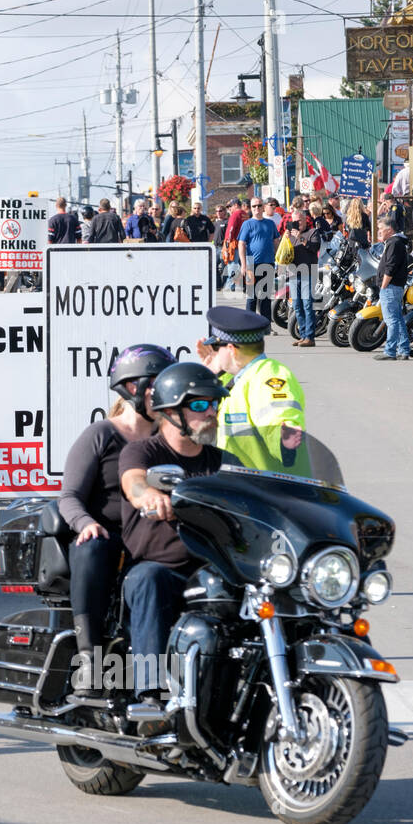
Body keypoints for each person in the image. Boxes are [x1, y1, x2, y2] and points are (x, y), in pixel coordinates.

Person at [118, 362, 235, 714]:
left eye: (214, 404)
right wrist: (148, 496)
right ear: (170, 412)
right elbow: (133, 481)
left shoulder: (223, 462)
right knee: (148, 580)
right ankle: (149, 696)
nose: (210, 412)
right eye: (199, 405)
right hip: (164, 570)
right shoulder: (143, 453)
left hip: (213, 571)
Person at [59, 343, 174, 695]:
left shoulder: (169, 438)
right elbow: (69, 497)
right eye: (156, 386)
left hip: (155, 534)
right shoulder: (100, 434)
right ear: (133, 389)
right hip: (106, 533)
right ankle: (90, 659)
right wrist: (85, 523)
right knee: (91, 548)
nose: (165, 395)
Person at [196, 306, 308, 474]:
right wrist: (213, 375)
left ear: (231, 350)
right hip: (240, 483)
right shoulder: (238, 378)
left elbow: (279, 418)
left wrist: (284, 441)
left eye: (217, 348)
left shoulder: (268, 377)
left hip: (268, 489)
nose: (215, 353)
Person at [374, 218, 411, 362]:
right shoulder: (395, 242)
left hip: (391, 286)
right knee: (398, 319)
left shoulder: (394, 243)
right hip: (395, 287)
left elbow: (390, 266)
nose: (379, 231)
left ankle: (390, 351)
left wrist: (383, 285)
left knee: (392, 320)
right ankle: (404, 349)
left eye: (381, 228)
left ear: (390, 230)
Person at [237, 197, 279, 322]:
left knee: (265, 297)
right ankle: (249, 325)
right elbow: (241, 244)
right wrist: (243, 265)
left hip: (268, 263)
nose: (256, 208)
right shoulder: (247, 224)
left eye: (259, 205)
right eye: (254, 206)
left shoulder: (270, 223)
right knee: (251, 297)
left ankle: (265, 325)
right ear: (251, 208)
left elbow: (276, 241)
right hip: (251, 265)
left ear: (263, 207)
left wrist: (278, 259)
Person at [288, 212, 321, 348]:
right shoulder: (290, 235)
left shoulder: (313, 232)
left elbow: (315, 248)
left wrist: (300, 238)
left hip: (308, 272)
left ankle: (310, 337)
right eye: (295, 221)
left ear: (305, 220)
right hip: (294, 273)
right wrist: (285, 240)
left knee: (308, 305)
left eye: (300, 221)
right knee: (297, 305)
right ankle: (302, 336)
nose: (298, 223)